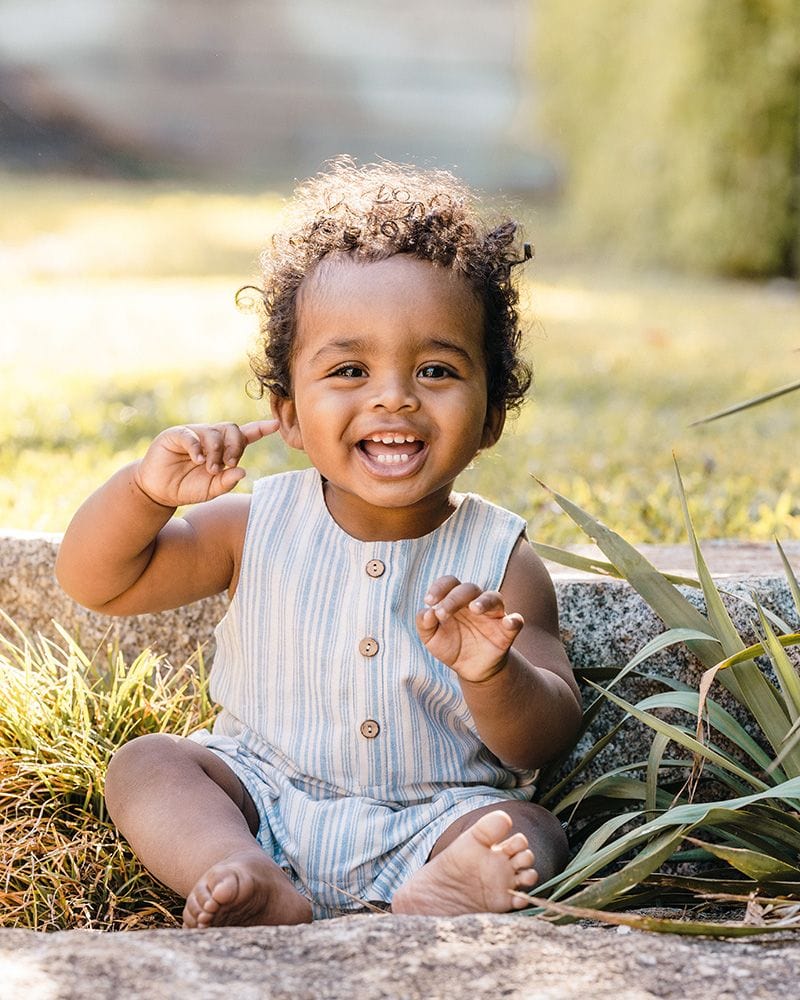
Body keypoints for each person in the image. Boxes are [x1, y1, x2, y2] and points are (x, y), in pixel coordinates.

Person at [55, 158, 582, 928]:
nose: (393, 395)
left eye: (435, 368)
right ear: (291, 415)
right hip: (263, 798)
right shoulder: (252, 524)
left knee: (532, 833)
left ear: (492, 415)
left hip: (436, 821)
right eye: (349, 368)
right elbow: (94, 581)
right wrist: (143, 492)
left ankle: (441, 894)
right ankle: (238, 870)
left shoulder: (501, 560)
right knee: (149, 765)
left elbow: (544, 737)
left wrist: (494, 672)